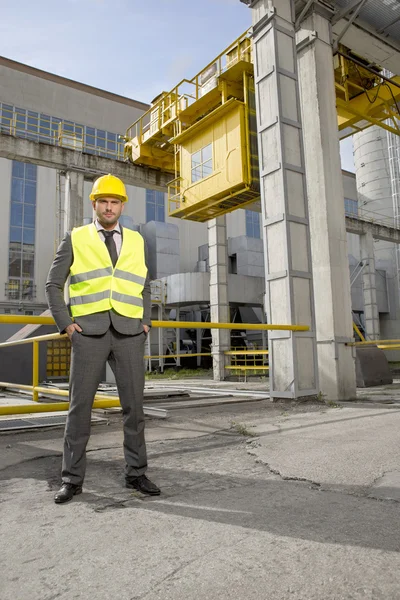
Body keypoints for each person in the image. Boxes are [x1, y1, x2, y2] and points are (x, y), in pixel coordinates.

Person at [46, 174, 160, 504]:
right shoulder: (76, 237)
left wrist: (146, 322)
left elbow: (144, 285)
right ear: (94, 204)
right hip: (88, 334)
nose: (109, 207)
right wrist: (66, 325)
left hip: (129, 333)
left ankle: (136, 473)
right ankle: (71, 479)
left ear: (122, 205)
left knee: (134, 408)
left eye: (115, 202)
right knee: (79, 409)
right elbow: (53, 285)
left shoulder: (138, 241)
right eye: (103, 202)